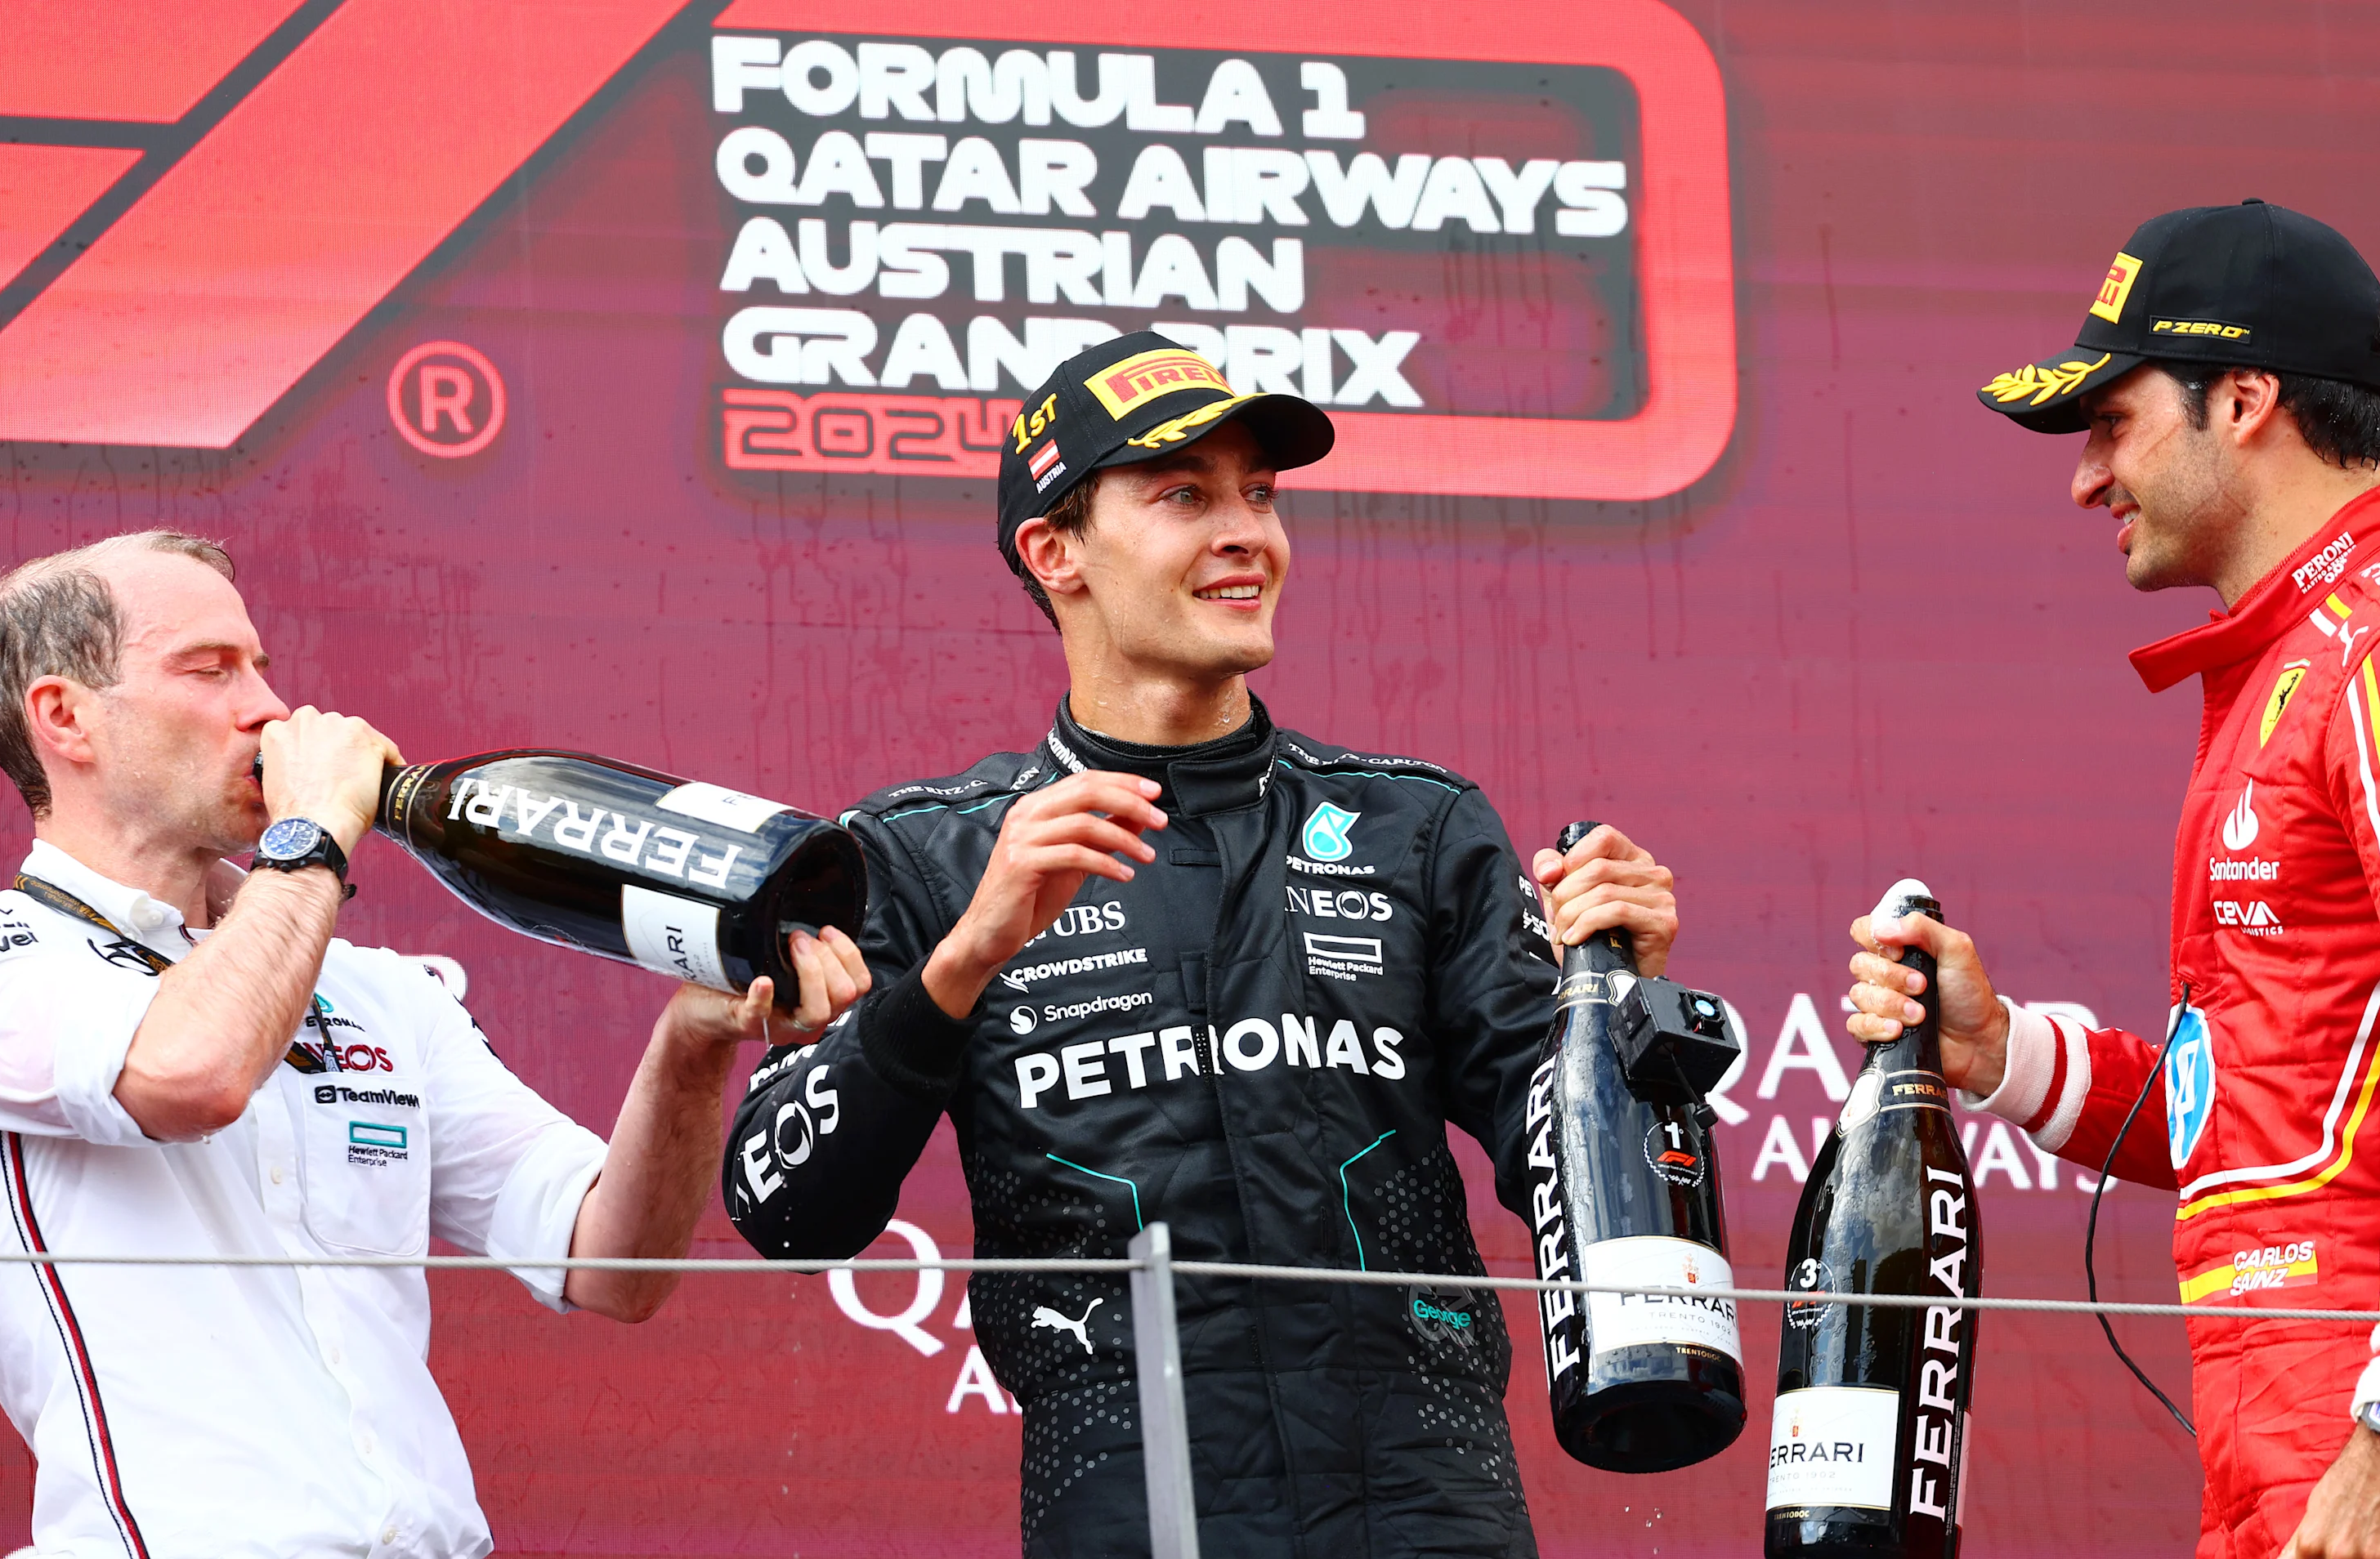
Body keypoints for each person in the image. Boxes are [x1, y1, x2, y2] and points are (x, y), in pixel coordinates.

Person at [720, 333, 1682, 1556]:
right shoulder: (925, 859)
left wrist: (1621, 1007)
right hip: (1127, 1509)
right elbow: (783, 1208)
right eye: (1185, 496)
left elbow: (1562, 1165)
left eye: (1260, 495)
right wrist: (966, 960)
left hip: (1431, 1504)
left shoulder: (1418, 825)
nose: (1248, 534)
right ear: (1053, 551)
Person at [1847, 201, 2380, 1558]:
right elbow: (2282, 1108)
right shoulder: (2297, 659)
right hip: (2292, 1424)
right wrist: (2005, 1052)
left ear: (2246, 398)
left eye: (2112, 420)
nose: (2087, 477)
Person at [0, 532, 870, 1559]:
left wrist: (692, 1044)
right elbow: (191, 1073)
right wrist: (310, 839)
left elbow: (613, 1267)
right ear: (64, 718)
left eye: (260, 665)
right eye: (209, 670)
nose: (270, 707)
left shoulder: (378, 991)